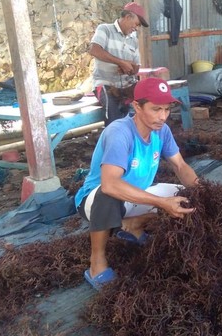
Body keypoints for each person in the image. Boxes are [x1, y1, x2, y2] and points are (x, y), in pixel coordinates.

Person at [74, 78, 200, 290]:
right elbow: (110, 184)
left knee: (184, 195)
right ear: (137, 107)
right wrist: (161, 202)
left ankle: (132, 226)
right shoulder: (120, 132)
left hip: (135, 195)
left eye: (167, 109)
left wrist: (201, 191)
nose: (162, 116)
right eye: (156, 109)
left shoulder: (162, 131)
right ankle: (97, 264)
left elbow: (180, 166)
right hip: (94, 202)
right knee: (109, 195)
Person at [89, 2, 150, 126]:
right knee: (114, 119)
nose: (136, 28)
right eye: (137, 24)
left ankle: (136, 142)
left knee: (145, 110)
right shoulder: (105, 29)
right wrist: (121, 62)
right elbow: (94, 50)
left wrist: (129, 69)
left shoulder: (134, 39)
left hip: (128, 85)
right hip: (105, 84)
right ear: (128, 17)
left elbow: (136, 68)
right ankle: (115, 141)